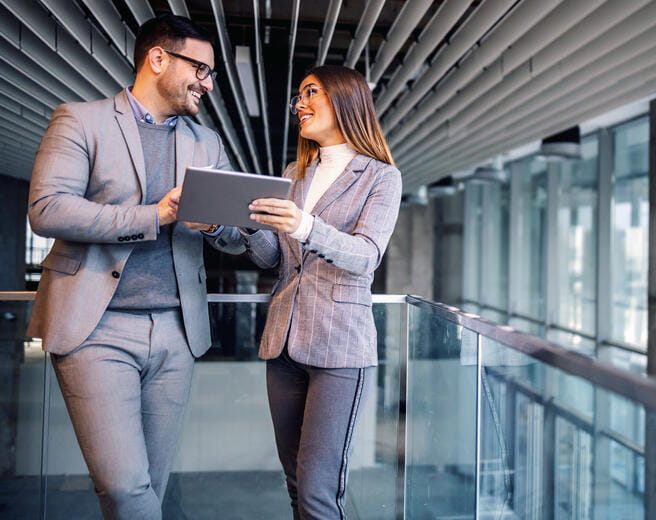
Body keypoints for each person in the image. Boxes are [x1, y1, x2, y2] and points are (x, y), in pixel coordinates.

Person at [27, 14, 242, 519]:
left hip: (177, 332)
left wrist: (216, 224)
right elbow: (47, 209)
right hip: (95, 328)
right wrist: (154, 216)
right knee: (124, 487)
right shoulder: (80, 120)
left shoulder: (206, 142)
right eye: (201, 70)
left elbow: (237, 236)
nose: (208, 84)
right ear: (158, 58)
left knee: (151, 485)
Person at [214, 65, 401, 519]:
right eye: (298, 95)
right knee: (297, 483)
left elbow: (366, 256)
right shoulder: (294, 175)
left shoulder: (381, 177)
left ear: (345, 99)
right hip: (284, 346)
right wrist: (240, 225)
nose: (300, 103)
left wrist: (305, 225)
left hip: (340, 348)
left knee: (319, 490)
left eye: (311, 92)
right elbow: (275, 260)